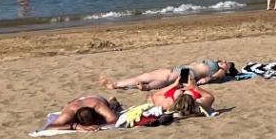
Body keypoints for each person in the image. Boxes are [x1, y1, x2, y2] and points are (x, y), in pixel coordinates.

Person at [100, 59, 237, 91]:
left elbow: (215, 77)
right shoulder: (213, 63)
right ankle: (116, 84)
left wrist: (208, 79)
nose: (224, 61)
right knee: (147, 75)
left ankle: (147, 88)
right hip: (180, 69)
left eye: (227, 64)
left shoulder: (221, 72)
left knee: (166, 80)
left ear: (227, 70)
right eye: (225, 61)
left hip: (189, 73)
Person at [45, 94, 124, 131]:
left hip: (94, 98)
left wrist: (99, 126)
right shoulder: (70, 111)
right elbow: (50, 126)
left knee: (114, 110)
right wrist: (76, 126)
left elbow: (114, 119)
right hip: (76, 101)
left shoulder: (97, 105)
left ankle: (113, 102)